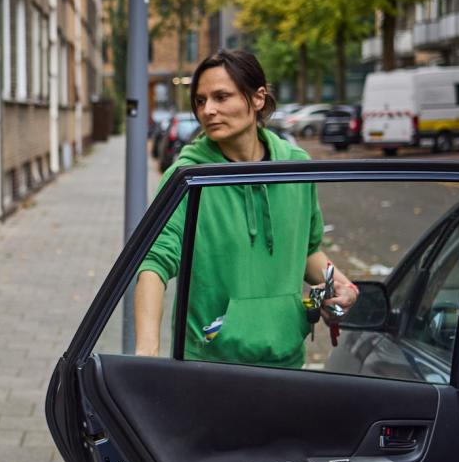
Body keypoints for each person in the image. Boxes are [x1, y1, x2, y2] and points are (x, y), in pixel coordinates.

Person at [133, 49, 357, 368]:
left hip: (287, 360)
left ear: (258, 98)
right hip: (209, 364)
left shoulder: (296, 167)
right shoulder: (188, 177)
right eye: (200, 100)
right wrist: (147, 355)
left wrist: (344, 286)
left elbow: (306, 250)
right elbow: (154, 264)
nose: (208, 110)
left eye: (221, 97)